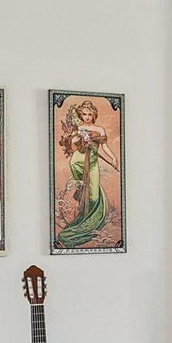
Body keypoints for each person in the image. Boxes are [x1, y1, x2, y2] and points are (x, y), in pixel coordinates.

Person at [55, 97, 119, 248]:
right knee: (85, 189)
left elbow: (104, 147)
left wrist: (113, 157)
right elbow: (73, 148)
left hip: (92, 163)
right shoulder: (78, 128)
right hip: (78, 161)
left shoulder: (100, 130)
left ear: (94, 115)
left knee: (94, 195)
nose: (87, 117)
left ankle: (89, 224)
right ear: (80, 115)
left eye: (90, 114)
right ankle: (83, 218)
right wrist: (78, 139)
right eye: (84, 114)